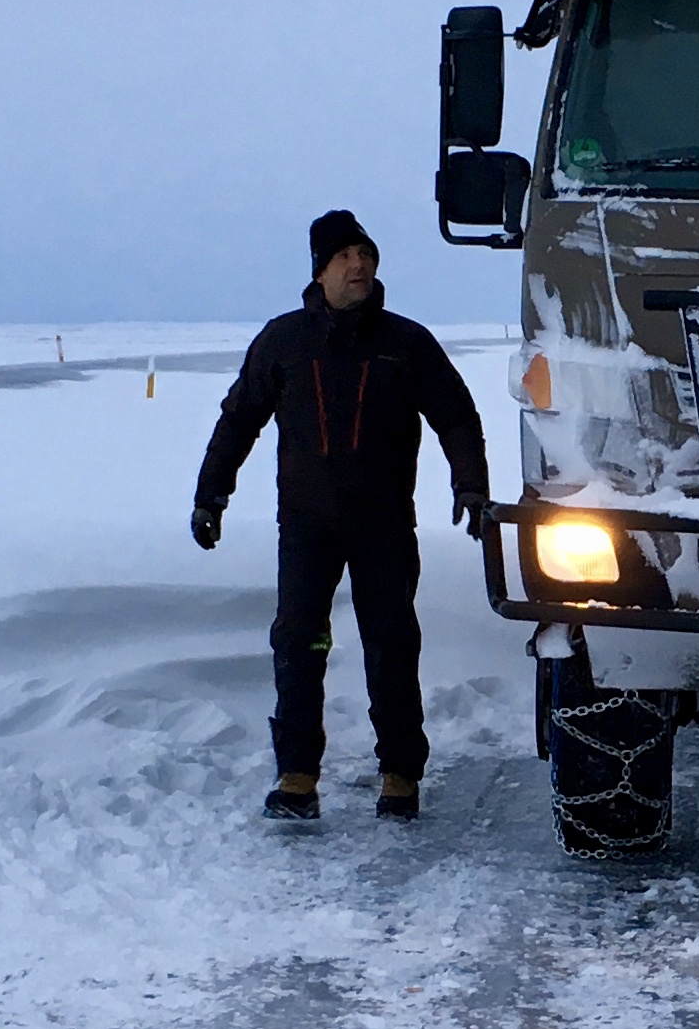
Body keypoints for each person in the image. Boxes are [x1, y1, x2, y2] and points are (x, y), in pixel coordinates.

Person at [193, 210, 493, 821]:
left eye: (367, 255)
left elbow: (456, 416)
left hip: (382, 524)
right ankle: (297, 775)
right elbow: (239, 419)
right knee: (299, 643)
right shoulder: (283, 342)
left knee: (390, 644)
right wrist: (210, 493)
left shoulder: (405, 343)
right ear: (321, 269)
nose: (360, 266)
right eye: (346, 257)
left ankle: (400, 773)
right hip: (306, 525)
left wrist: (472, 484)